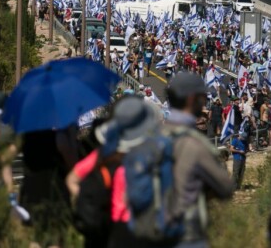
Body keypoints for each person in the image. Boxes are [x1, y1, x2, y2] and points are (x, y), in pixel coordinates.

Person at [67, 96, 159, 248]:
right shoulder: (149, 155)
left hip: (108, 230)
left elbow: (72, 179)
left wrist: (91, 200)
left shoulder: (102, 155)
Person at [165, 72, 235, 247]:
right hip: (186, 236)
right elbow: (226, 188)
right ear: (192, 99)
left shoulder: (149, 136)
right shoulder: (196, 144)